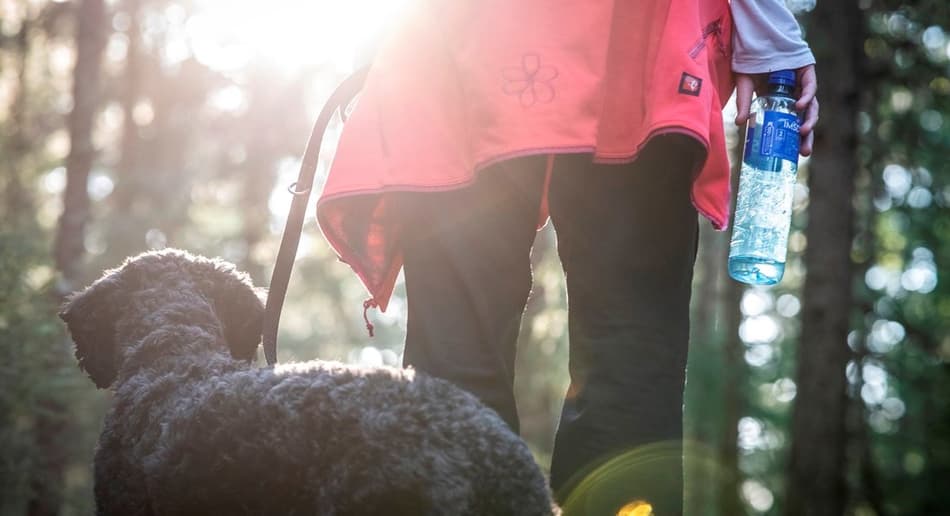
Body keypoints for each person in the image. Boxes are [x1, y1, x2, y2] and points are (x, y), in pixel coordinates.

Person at [316, 0, 818, 513]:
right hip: (629, 37)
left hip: (457, 35)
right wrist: (770, 31)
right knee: (628, 357)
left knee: (453, 361)